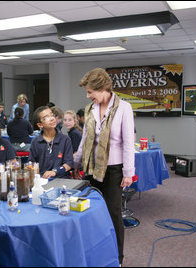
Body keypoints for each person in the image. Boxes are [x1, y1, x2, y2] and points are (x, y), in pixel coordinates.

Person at [73, 67, 135, 266]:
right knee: (91, 211)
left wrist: (128, 173)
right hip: (92, 168)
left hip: (114, 169)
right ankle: (96, 253)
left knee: (113, 213)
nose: (88, 95)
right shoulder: (90, 109)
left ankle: (117, 258)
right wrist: (75, 163)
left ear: (104, 89)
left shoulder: (124, 108)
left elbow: (128, 143)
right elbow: (85, 140)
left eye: (90, 92)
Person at [29, 106, 73, 179]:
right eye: (46, 118)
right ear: (40, 125)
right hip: (43, 180)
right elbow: (32, 163)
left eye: (52, 115)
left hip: (61, 180)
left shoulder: (65, 139)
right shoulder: (36, 141)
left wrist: (55, 171)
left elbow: (69, 164)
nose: (52, 118)